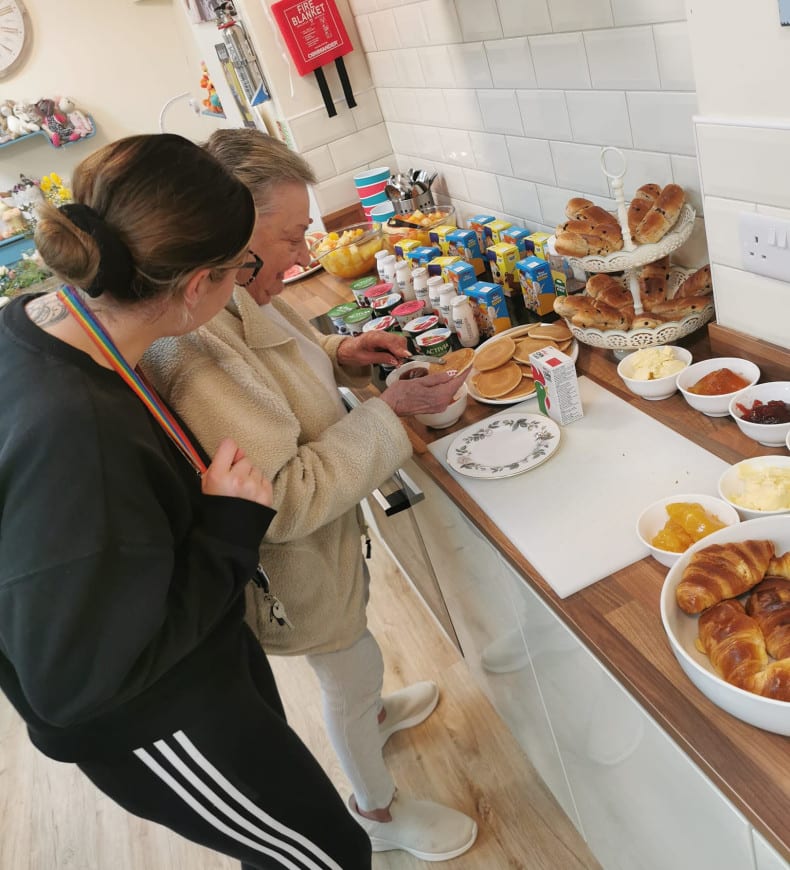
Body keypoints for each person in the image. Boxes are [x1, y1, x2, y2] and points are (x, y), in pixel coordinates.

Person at [0, 133, 373, 870]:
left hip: (200, 647)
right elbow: (75, 682)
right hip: (151, 714)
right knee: (325, 856)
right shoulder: (79, 435)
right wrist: (230, 528)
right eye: (242, 267)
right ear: (198, 283)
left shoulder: (46, 326)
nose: (253, 278)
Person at [143, 128, 478, 863]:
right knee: (347, 665)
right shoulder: (194, 348)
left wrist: (339, 352)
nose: (305, 256)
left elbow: (284, 356)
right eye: (292, 236)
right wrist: (389, 414)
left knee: (353, 647)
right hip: (293, 567)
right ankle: (376, 807)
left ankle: (372, 712)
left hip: (328, 549)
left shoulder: (229, 291)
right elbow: (284, 500)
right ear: (231, 231)